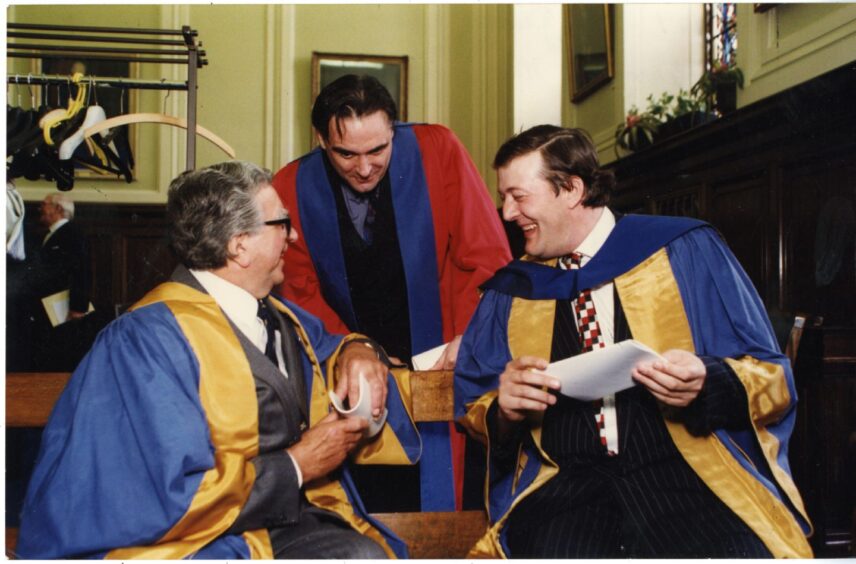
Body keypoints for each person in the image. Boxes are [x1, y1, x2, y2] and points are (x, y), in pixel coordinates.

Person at [16, 161, 420, 559]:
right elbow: (158, 490)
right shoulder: (148, 341)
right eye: (281, 223)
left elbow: (327, 348)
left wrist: (360, 350)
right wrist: (296, 465)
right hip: (197, 541)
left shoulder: (276, 314)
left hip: (279, 521)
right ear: (239, 245)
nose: (294, 235)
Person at [454, 125, 813, 558]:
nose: (507, 213)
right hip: (566, 489)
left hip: (686, 475)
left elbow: (772, 374)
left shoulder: (685, 250)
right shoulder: (511, 292)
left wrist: (708, 379)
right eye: (504, 197)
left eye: (519, 196)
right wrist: (504, 410)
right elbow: (475, 403)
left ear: (571, 189)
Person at [272, 74, 511, 511]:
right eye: (346, 153)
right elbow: (296, 291)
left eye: (378, 150)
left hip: (443, 358)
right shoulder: (292, 184)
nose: (364, 168)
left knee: (450, 506)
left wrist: (469, 336)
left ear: (394, 129)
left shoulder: (437, 151)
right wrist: (350, 348)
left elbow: (483, 254)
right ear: (322, 140)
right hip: (352, 373)